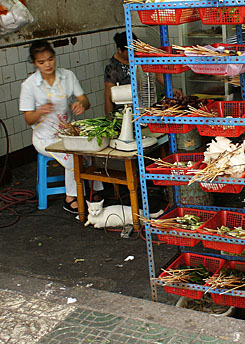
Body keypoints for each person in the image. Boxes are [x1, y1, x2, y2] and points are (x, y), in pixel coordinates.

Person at [19, 40, 104, 214]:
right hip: (45, 137)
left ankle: (93, 190)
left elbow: (84, 100)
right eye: (41, 62)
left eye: (50, 59)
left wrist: (81, 105)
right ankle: (70, 197)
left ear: (54, 57)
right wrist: (40, 111)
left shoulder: (67, 76)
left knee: (90, 150)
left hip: (67, 132)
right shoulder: (29, 85)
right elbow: (28, 119)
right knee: (73, 157)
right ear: (35, 63)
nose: (47, 64)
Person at [104, 31, 165, 115]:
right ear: (120, 50)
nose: (133, 53)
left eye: (134, 50)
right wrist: (109, 118)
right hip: (124, 111)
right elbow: (109, 94)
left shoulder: (138, 57)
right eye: (129, 51)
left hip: (144, 106)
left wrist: (171, 89)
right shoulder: (112, 67)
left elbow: (156, 73)